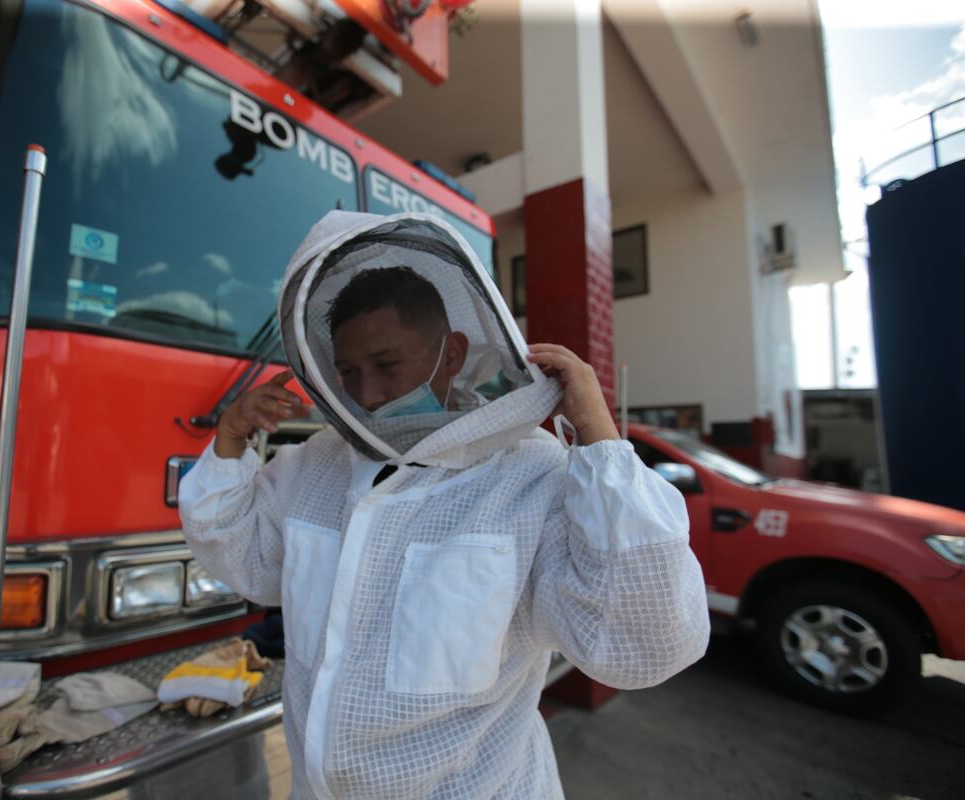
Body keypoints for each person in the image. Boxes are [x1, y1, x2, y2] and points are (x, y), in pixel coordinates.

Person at [179, 210, 709, 799]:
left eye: (387, 365)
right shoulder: (314, 466)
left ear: (451, 353)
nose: (366, 392)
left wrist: (601, 444)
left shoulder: (530, 475)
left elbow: (648, 641)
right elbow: (247, 561)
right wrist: (230, 445)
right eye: (348, 371)